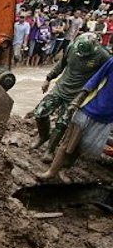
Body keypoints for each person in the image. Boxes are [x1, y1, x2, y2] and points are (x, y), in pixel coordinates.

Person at [31, 33, 111, 162]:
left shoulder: (103, 56)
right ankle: (43, 136)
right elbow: (61, 64)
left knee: (62, 123)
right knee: (40, 112)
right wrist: (48, 78)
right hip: (60, 88)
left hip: (76, 95)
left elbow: (104, 77)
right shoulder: (71, 47)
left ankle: (50, 150)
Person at [40, 58, 113, 180]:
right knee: (68, 143)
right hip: (90, 107)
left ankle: (65, 168)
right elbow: (94, 80)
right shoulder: (111, 62)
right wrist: (76, 101)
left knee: (83, 146)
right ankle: (51, 172)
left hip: (107, 118)